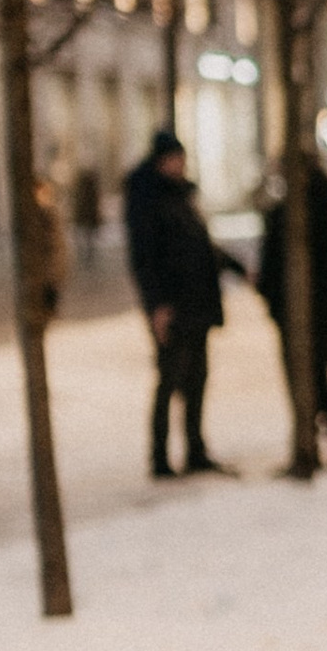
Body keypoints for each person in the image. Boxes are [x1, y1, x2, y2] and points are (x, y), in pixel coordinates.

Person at [124, 131, 241, 479]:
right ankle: (159, 457)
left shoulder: (182, 197)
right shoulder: (148, 200)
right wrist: (157, 305)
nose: (180, 164)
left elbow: (203, 248)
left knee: (197, 378)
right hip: (174, 306)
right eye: (175, 158)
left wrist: (237, 267)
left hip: (197, 303)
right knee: (169, 378)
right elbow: (144, 259)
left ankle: (195, 448)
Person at [258, 161, 327, 466]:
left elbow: (271, 265)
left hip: (305, 311)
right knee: (324, 371)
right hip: (314, 309)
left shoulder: (290, 213)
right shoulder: (315, 210)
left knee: (313, 373)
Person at [30, 173, 71, 324]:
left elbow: (52, 241)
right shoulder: (47, 210)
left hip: (50, 265)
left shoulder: (46, 211)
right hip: (52, 265)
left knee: (49, 294)